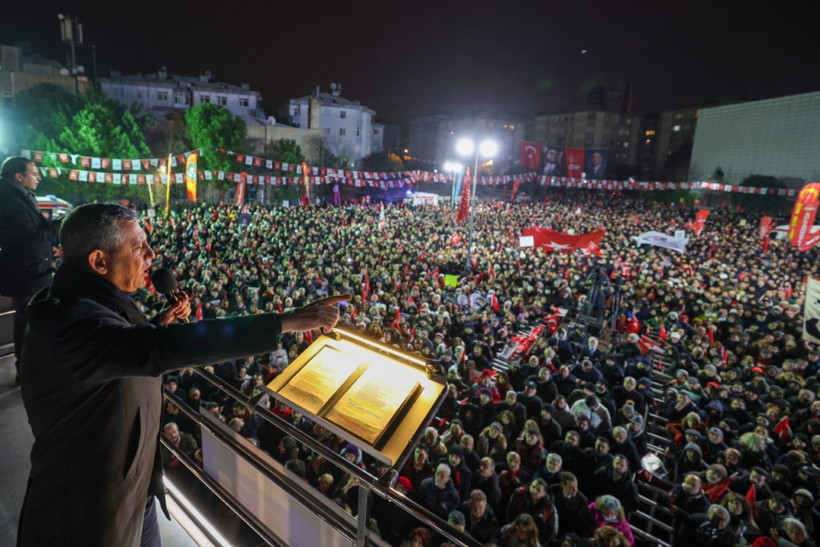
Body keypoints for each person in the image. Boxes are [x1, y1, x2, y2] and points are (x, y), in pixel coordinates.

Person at [17, 204, 348, 546]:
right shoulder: (68, 322)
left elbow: (121, 347)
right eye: (138, 247)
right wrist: (284, 321)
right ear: (99, 261)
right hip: (89, 504)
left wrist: (155, 325)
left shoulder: (91, 300)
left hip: (133, 482)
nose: (151, 255)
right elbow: (152, 349)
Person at [0, 156, 62, 385]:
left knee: (29, 320)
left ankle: (28, 369)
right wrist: (58, 227)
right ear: (19, 176)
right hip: (28, 274)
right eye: (34, 172)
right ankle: (28, 371)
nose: (39, 177)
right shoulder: (9, 200)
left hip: (33, 270)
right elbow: (30, 239)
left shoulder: (18, 196)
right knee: (30, 321)